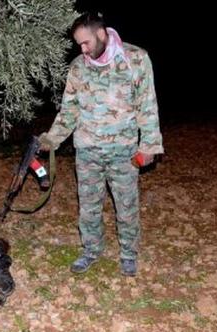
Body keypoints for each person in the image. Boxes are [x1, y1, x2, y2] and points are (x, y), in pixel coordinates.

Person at [38, 11, 163, 276]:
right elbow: (69, 111)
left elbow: (147, 105)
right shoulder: (78, 68)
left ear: (101, 34)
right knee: (89, 207)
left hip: (124, 151)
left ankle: (128, 254)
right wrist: (51, 139)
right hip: (87, 151)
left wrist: (149, 145)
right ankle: (91, 251)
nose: (83, 49)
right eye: (78, 45)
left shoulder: (136, 59)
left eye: (86, 43)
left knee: (127, 207)